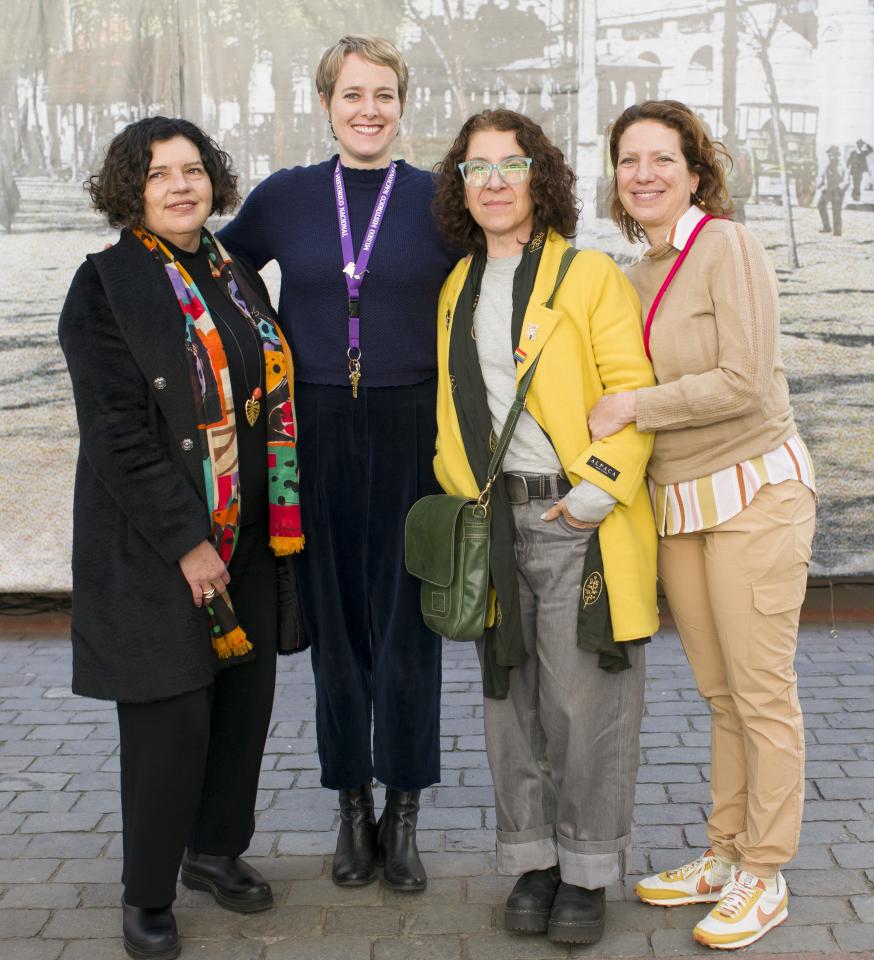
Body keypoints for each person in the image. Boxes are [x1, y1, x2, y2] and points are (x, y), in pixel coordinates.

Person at [218, 35, 458, 892]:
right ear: (327, 103)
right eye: (353, 94)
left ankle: (404, 810)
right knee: (334, 632)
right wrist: (270, 345)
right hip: (312, 428)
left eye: (384, 95)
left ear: (402, 105)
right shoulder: (287, 196)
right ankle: (350, 805)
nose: (369, 109)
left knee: (407, 630)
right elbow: (228, 263)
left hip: (411, 432)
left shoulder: (439, 200)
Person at [59, 116, 302, 960]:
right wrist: (188, 542)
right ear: (132, 190)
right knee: (171, 721)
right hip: (159, 547)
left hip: (251, 538)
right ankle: (148, 893)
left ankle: (213, 853)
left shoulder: (236, 275)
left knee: (242, 710)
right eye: (159, 174)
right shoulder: (106, 285)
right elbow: (118, 437)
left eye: (193, 170)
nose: (180, 186)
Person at [590, 100, 818, 951]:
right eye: (628, 160)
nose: (643, 173)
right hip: (679, 504)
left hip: (756, 491)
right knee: (721, 695)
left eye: (662, 158)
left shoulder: (727, 245)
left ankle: (766, 869)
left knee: (762, 694)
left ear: (695, 171)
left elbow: (746, 381)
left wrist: (632, 403)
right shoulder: (636, 271)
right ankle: (723, 853)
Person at [432, 108, 657, 945]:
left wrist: (596, 490)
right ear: (460, 186)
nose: (493, 181)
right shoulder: (457, 286)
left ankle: (589, 872)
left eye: (510, 165)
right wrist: (466, 500)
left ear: (541, 177)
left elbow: (632, 390)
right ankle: (534, 860)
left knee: (585, 704)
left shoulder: (590, 275)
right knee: (511, 704)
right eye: (476, 167)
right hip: (495, 523)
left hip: (574, 519)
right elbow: (453, 417)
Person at [815, 144, 847, 236]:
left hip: (837, 191)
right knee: (820, 205)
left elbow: (847, 180)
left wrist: (840, 188)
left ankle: (837, 232)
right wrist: (820, 186)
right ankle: (827, 227)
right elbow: (821, 177)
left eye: (833, 155)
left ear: (837, 155)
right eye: (829, 155)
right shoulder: (826, 165)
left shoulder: (842, 166)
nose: (831, 157)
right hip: (827, 191)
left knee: (836, 210)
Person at [846, 139, 873, 203]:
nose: (860, 146)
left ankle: (856, 196)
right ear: (857, 145)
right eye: (860, 144)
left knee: (857, 184)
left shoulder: (863, 152)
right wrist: (847, 168)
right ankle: (855, 196)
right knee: (856, 184)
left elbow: (871, 150)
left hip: (860, 171)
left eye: (861, 145)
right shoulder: (853, 152)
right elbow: (849, 161)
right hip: (854, 171)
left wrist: (866, 144)